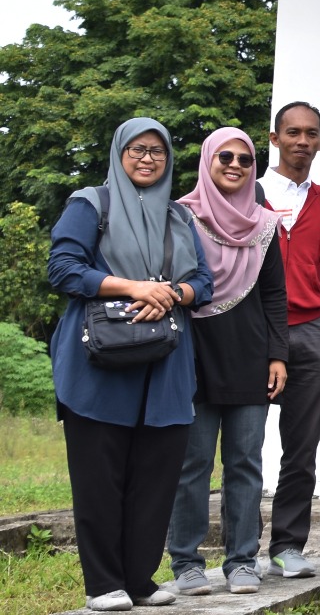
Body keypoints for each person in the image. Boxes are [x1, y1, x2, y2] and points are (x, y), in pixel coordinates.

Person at [47, 118, 213, 612]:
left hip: (165, 361)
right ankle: (103, 583)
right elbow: (64, 267)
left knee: (157, 474)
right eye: (138, 149)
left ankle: (139, 578)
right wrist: (135, 286)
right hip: (99, 360)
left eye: (158, 152)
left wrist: (173, 293)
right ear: (120, 152)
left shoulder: (180, 217)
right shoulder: (90, 203)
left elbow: (203, 282)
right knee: (101, 476)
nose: (147, 159)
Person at [166, 128, 289, 597]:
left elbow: (275, 295)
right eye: (225, 157)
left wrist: (278, 355)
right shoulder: (181, 215)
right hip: (190, 355)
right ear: (207, 161)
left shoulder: (264, 226)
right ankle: (186, 563)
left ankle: (242, 561)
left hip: (249, 357)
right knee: (192, 462)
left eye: (244, 158)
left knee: (244, 462)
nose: (235, 165)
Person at [259, 101, 320, 579]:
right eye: (292, 132)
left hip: (310, 333)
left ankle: (287, 547)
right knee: (244, 444)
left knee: (302, 446)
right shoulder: (248, 196)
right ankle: (239, 548)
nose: (302, 141)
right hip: (254, 334)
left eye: (311, 133)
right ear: (275, 138)